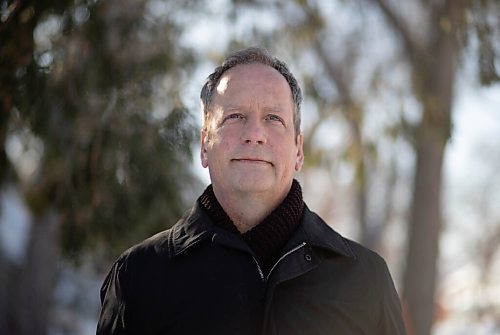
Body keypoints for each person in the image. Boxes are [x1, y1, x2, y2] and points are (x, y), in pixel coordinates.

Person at [96, 47, 407, 335]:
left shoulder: (367, 280)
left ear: (298, 150)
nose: (255, 134)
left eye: (273, 118)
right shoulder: (139, 276)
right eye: (235, 117)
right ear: (204, 144)